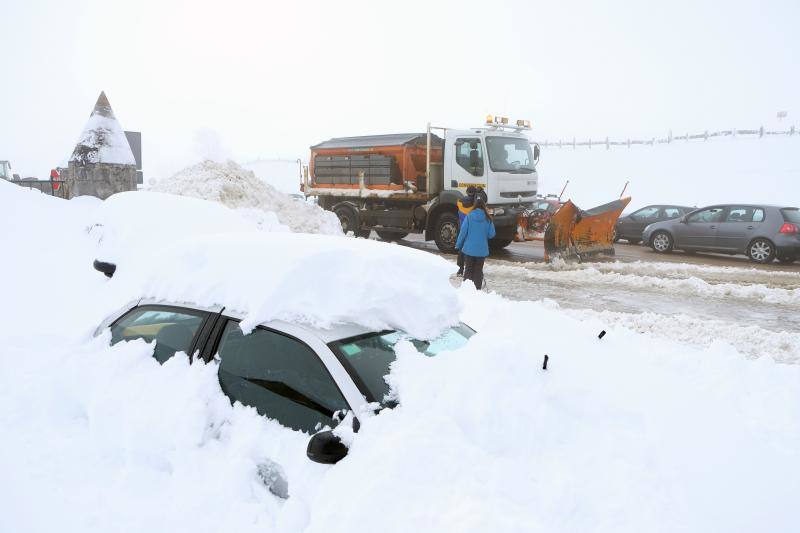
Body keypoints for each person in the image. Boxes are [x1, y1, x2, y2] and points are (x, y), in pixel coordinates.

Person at [455, 197, 495, 289]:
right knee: (478, 270)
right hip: (482, 250)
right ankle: (477, 291)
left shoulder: (469, 216)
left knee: (468, 269)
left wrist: (458, 244)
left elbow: (463, 232)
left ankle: (467, 290)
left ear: (475, 205)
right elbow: (491, 234)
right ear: (484, 206)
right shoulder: (488, 218)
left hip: (469, 250)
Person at [455, 186, 477, 276]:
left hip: (462, 228)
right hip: (472, 230)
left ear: (467, 192)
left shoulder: (459, 202)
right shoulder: (475, 205)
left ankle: (460, 269)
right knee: (472, 250)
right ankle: (471, 268)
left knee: (461, 250)